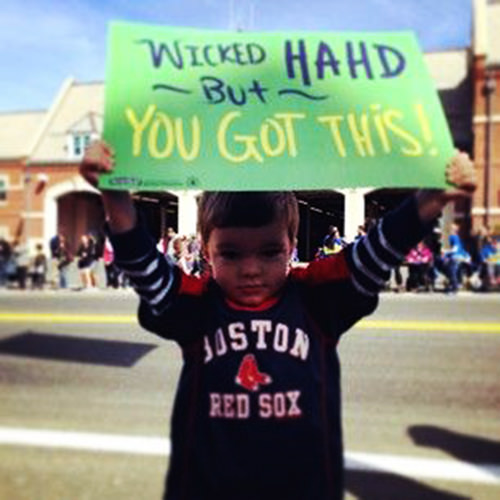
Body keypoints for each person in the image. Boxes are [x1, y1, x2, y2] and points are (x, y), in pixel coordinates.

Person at [80, 141, 476, 500]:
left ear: (291, 244)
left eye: (270, 251)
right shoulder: (196, 304)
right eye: (231, 254)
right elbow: (144, 266)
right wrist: (114, 195)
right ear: (206, 250)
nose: (251, 269)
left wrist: (430, 199)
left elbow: (375, 252)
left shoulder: (316, 297)